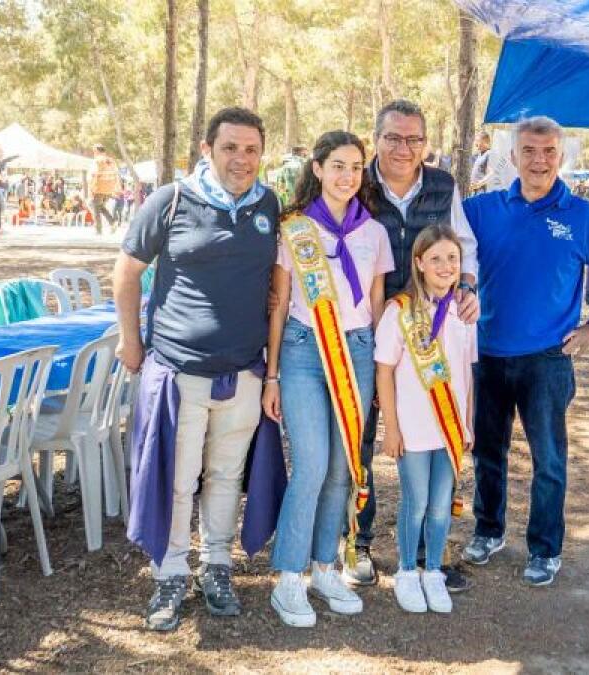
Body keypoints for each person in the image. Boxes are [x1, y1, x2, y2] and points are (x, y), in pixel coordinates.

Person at [114, 107, 281, 632]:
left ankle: (216, 565)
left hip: (245, 373)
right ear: (208, 150)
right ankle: (169, 573)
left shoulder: (269, 205)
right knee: (179, 478)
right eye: (230, 147)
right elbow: (127, 271)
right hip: (180, 369)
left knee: (227, 475)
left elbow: (278, 286)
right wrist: (130, 340)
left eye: (251, 149)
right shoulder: (172, 200)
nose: (241, 159)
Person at [460, 116, 589, 586]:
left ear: (561, 156)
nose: (539, 159)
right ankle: (488, 531)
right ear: (512, 156)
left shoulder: (580, 215)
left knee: (548, 459)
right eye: (529, 150)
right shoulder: (480, 210)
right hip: (486, 353)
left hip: (548, 359)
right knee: (489, 451)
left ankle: (545, 548)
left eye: (549, 151)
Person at [347, 99, 480, 592]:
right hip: (368, 330)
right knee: (359, 438)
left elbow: (463, 244)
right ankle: (357, 543)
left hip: (429, 333)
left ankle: (426, 555)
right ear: (375, 138)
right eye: (393, 138)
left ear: (426, 142)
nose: (404, 149)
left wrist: (466, 288)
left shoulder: (443, 185)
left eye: (414, 139)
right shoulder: (356, 183)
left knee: (430, 433)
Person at [263, 130, 394, 628]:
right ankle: (288, 577)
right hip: (301, 351)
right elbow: (277, 306)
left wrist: (383, 367)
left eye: (356, 167)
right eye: (338, 165)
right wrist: (272, 375)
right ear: (317, 169)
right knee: (313, 464)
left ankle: (324, 566)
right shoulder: (294, 229)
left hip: (357, 352)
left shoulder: (374, 232)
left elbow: (378, 304)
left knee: (343, 469)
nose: (347, 176)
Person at [375, 226, 477, 614]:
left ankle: (433, 570)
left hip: (449, 427)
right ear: (419, 263)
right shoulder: (399, 311)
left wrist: (468, 423)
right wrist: (392, 429)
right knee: (415, 503)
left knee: (440, 505)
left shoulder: (463, 312)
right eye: (435, 258)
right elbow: (384, 372)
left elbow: (468, 376)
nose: (445, 266)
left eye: (452, 258)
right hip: (413, 427)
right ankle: (406, 571)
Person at [91, 144, 120, 235]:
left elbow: (93, 174)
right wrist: (116, 188)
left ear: (97, 151)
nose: (93, 153)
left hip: (98, 188)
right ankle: (112, 222)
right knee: (100, 207)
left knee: (95, 207)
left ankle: (98, 230)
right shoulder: (111, 161)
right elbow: (116, 174)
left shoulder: (97, 161)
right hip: (109, 188)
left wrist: (91, 188)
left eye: (94, 151)